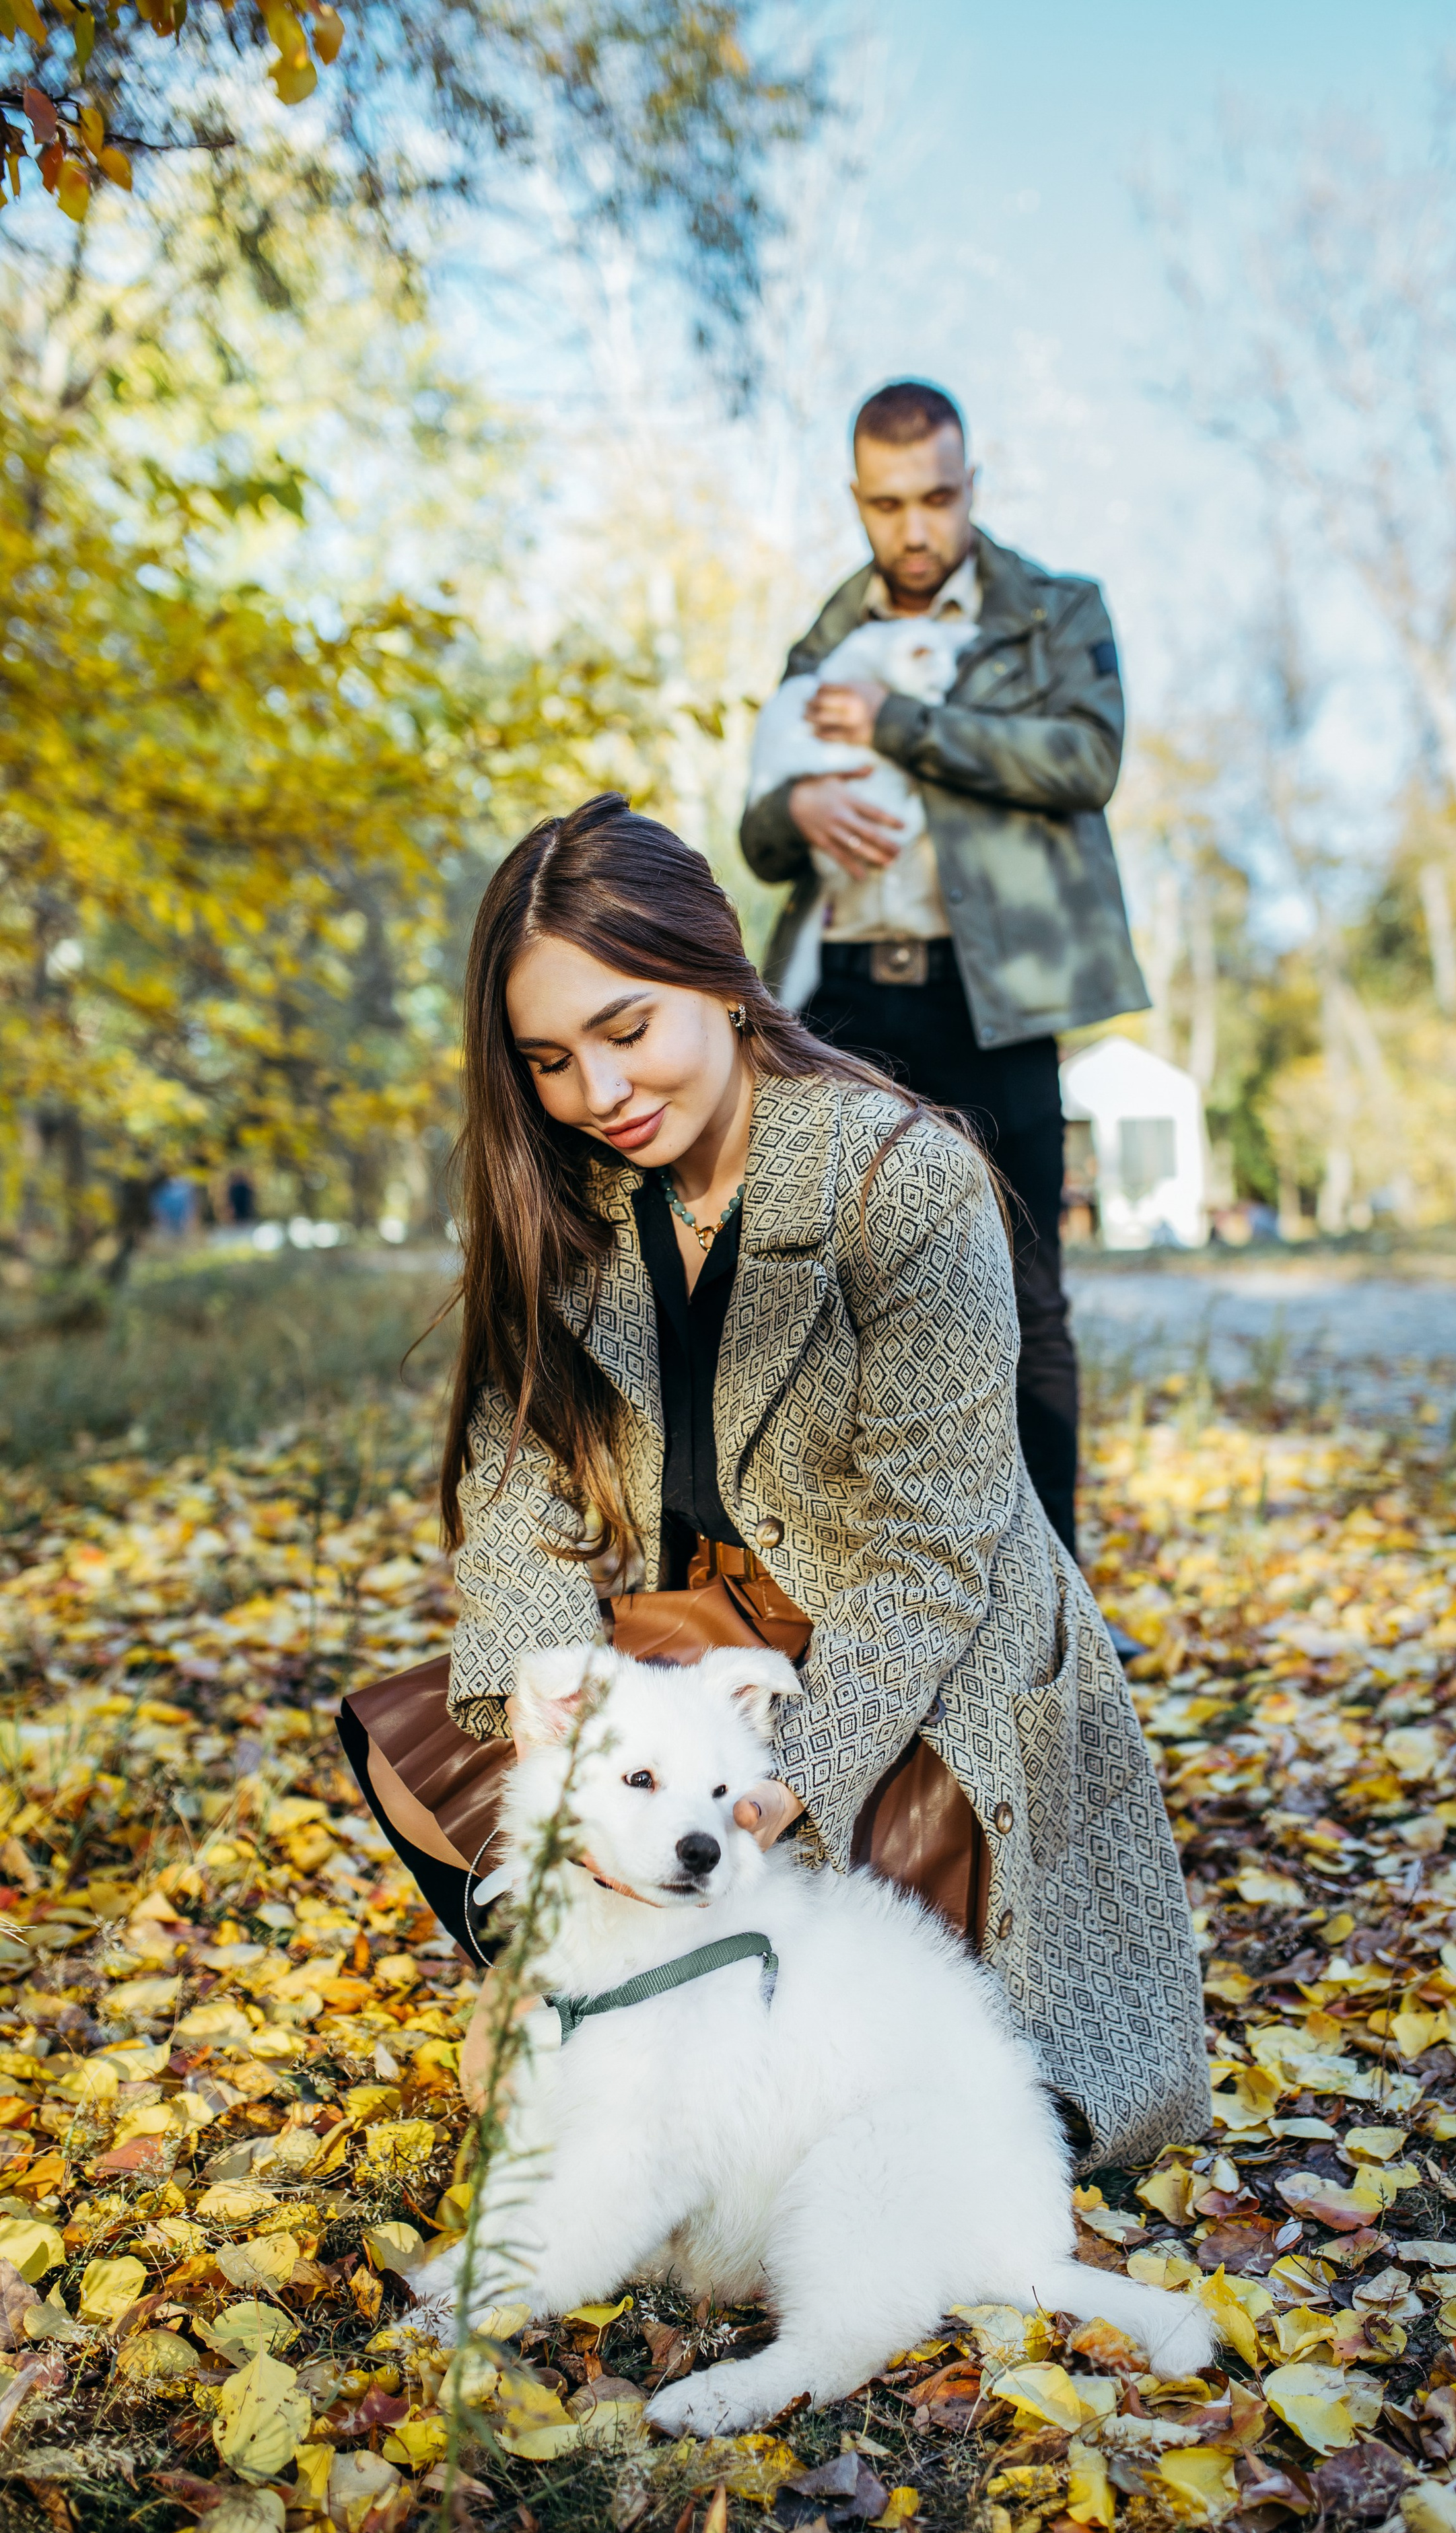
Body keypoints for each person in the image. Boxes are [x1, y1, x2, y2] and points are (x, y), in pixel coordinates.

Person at [342, 796, 1205, 2165]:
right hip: (698, 1640)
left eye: (625, 1031)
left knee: (874, 2077)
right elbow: (519, 1514)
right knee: (473, 1778)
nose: (599, 1092)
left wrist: (765, 1787)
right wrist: (554, 1756)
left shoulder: (900, 1181)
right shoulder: (557, 1202)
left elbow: (931, 1564)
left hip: (916, 1657)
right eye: (550, 1059)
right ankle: (617, 1995)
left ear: (720, 972)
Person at [739, 380, 1147, 1559]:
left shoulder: (1055, 611)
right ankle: (872, 1589)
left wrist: (902, 725)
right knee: (826, 1302)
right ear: (856, 499)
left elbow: (1088, 758)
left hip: (995, 993)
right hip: (843, 995)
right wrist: (799, 799)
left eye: (938, 498)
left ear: (975, 484)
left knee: (1026, 1300)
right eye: (886, 504)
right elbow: (765, 840)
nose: (914, 530)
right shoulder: (823, 630)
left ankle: (1055, 1595)